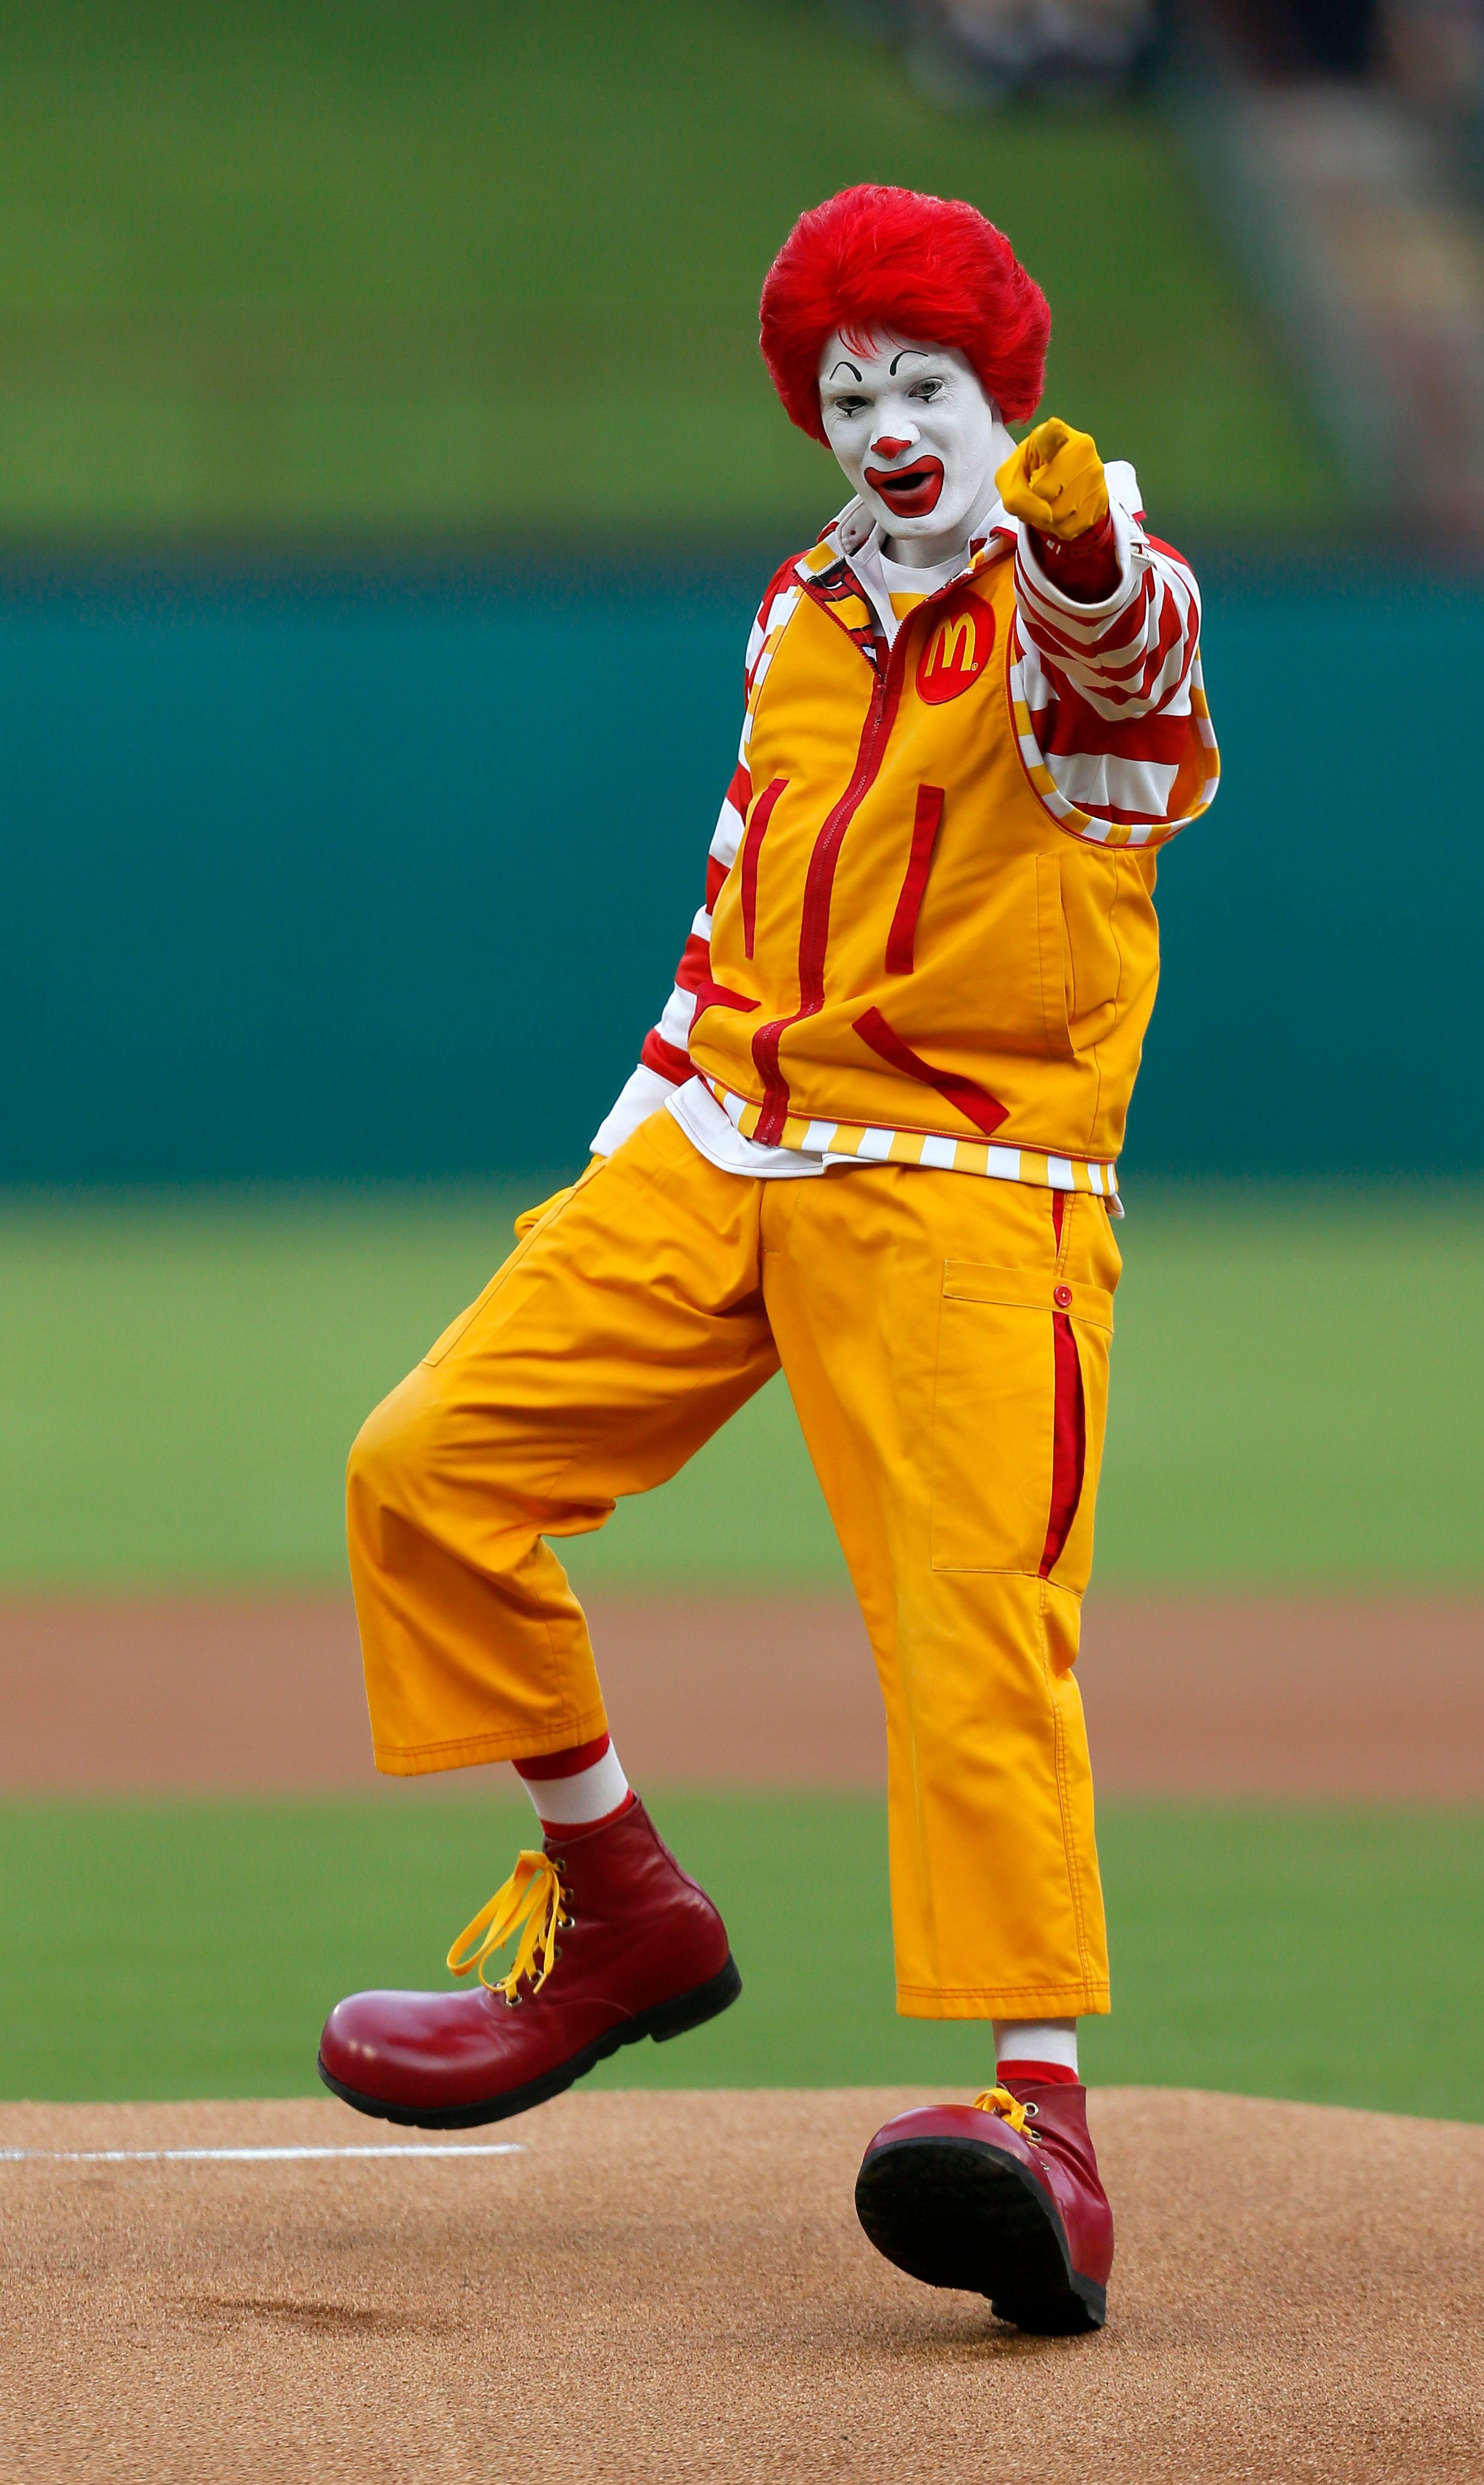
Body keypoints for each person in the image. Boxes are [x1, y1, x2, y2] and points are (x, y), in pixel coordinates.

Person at [319, 183, 1217, 2337]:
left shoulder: (1084, 575)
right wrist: (630, 1146)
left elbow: (1133, 671)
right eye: (845, 391)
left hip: (967, 1186)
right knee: (423, 1465)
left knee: (969, 1634)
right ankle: (620, 1899)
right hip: (721, 1136)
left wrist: (1076, 545)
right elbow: (733, 899)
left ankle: (1039, 2129)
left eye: (920, 384)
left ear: (1000, 392)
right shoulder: (797, 610)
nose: (883, 424)